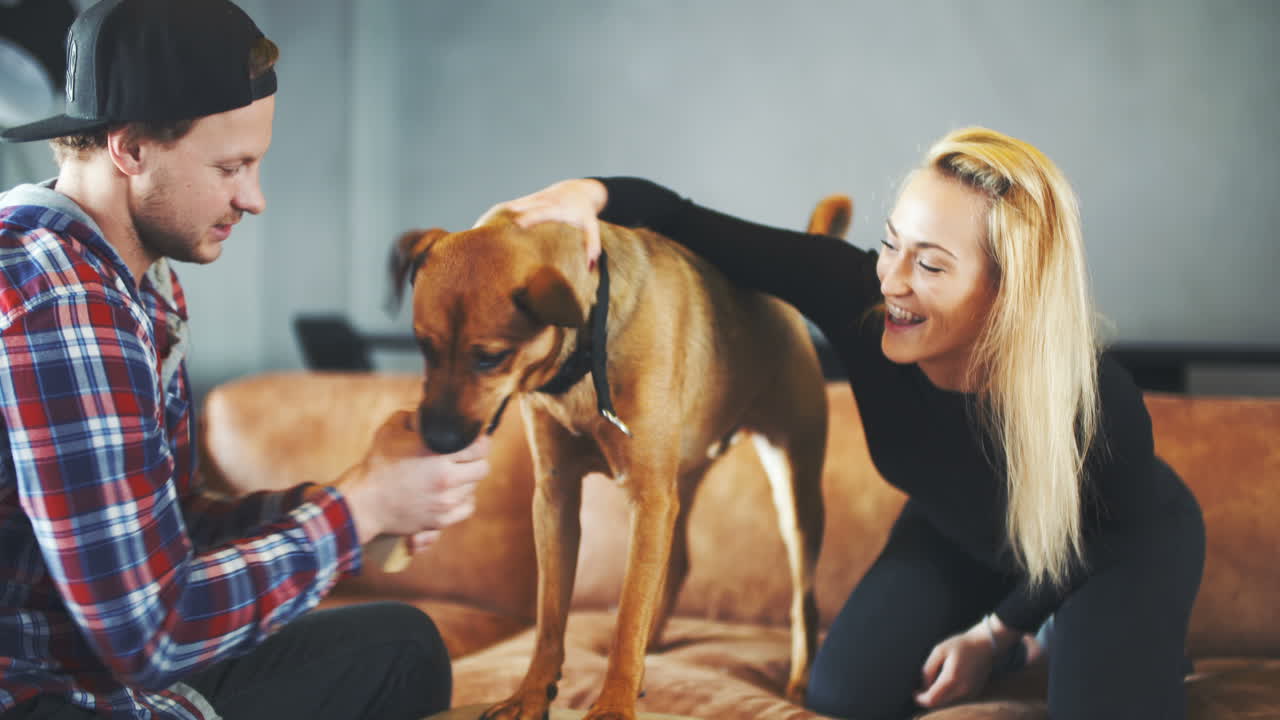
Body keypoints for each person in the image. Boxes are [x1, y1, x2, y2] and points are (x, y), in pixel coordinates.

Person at [480, 128, 1206, 719]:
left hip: (1107, 545)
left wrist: (996, 632)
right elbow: (680, 217)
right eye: (892, 243)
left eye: (930, 264)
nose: (891, 281)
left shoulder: (1098, 400)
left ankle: (1066, 638)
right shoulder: (858, 295)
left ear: (1005, 293)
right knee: (843, 695)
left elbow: (1093, 538)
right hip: (959, 535)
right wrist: (585, 195)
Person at [0, 1, 489, 718]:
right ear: (130, 148)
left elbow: (166, 529)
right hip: (39, 691)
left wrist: (353, 494)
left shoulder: (136, 278)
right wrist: (359, 513)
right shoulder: (64, 301)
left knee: (403, 645)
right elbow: (150, 633)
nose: (252, 199)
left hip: (91, 661)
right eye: (231, 166)